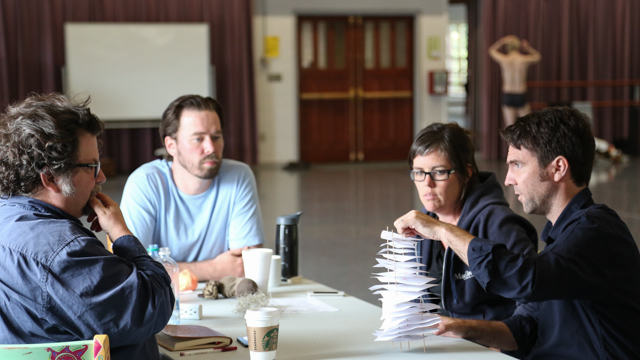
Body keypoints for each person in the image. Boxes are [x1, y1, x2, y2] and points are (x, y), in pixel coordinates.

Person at [395, 107, 640, 359]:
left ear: (558, 168)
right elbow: (523, 329)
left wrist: (444, 231)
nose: (509, 179)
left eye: (518, 165)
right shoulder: (561, 237)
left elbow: (524, 279)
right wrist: (456, 327)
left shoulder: (596, 230)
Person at [0, 93, 174, 359]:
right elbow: (154, 305)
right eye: (92, 166)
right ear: (52, 179)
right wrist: (121, 234)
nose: (101, 176)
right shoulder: (65, 251)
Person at [120, 95, 264, 281]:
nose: (211, 148)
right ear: (171, 146)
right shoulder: (145, 182)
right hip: (164, 301)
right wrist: (214, 269)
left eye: (216, 137)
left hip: (222, 297)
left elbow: (245, 265)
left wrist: (164, 268)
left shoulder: (239, 176)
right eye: (198, 139)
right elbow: (129, 269)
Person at [407, 123, 537, 320]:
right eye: (419, 172)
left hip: (489, 345)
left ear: (466, 173)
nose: (427, 183)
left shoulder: (498, 222)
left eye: (439, 172)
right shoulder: (422, 225)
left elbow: (533, 296)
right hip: (441, 342)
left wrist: (499, 342)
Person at [488, 35, 541, 127]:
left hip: (508, 94)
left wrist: (502, 41)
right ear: (518, 47)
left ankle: (511, 142)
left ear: (507, 47)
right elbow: (538, 56)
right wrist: (528, 48)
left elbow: (491, 51)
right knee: (527, 126)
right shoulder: (523, 60)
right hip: (520, 93)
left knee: (510, 127)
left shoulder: (504, 59)